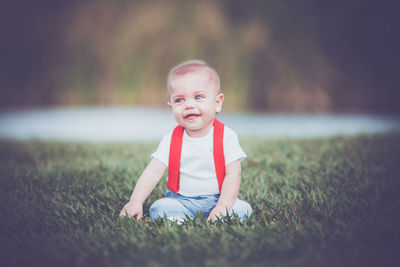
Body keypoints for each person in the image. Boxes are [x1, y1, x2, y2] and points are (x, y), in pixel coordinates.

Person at [119, 60, 252, 223]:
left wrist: (222, 205)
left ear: (217, 103)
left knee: (242, 208)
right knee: (160, 207)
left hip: (218, 198)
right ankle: (177, 218)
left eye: (198, 97)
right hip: (181, 201)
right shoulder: (171, 140)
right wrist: (135, 201)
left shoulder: (227, 136)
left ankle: (220, 216)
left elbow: (233, 174)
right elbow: (153, 172)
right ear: (171, 108)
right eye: (179, 100)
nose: (189, 105)